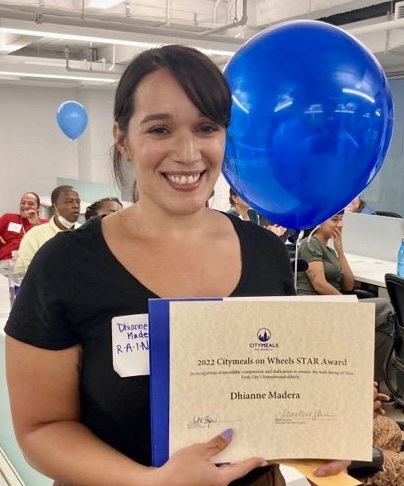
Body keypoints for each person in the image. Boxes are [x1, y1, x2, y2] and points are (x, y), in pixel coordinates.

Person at [5, 45, 349, 486]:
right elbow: (41, 428)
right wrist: (152, 482)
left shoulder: (264, 252)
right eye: (160, 129)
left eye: (206, 127)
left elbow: (272, 391)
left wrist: (324, 426)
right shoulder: (65, 265)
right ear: (122, 138)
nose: (188, 153)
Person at [296, 210, 395, 381]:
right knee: (385, 306)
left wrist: (340, 251)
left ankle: (380, 382)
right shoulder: (310, 243)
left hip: (335, 303)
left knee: (385, 328)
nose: (339, 225)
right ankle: (385, 381)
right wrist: (349, 304)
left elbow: (348, 285)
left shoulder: (329, 251)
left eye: (341, 220)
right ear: (319, 221)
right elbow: (319, 284)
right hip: (316, 307)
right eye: (335, 220)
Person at [18, 185, 81, 264]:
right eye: (69, 201)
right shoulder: (34, 236)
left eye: (78, 202)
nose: (76, 205)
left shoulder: (86, 233)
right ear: (54, 207)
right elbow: (22, 271)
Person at [0, 192, 47, 272]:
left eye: (31, 204)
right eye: (23, 203)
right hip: (7, 263)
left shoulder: (45, 223)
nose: (25, 206)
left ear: (38, 208)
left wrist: (35, 225)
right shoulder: (8, 218)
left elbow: (47, 246)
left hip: (33, 265)